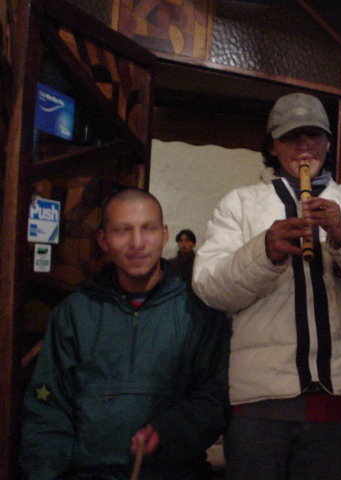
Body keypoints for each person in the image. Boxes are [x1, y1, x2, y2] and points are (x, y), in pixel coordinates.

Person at [192, 92, 341, 480]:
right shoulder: (238, 204)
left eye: (314, 134)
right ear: (272, 146)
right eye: (291, 136)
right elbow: (209, 288)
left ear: (328, 142)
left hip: (334, 399)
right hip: (258, 402)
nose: (304, 145)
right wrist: (264, 251)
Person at [20, 188, 230, 480]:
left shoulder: (198, 311)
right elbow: (48, 408)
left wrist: (170, 429)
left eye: (148, 229)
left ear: (164, 235)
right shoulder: (73, 314)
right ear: (103, 240)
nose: (137, 243)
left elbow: (215, 397)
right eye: (122, 230)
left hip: (176, 471)